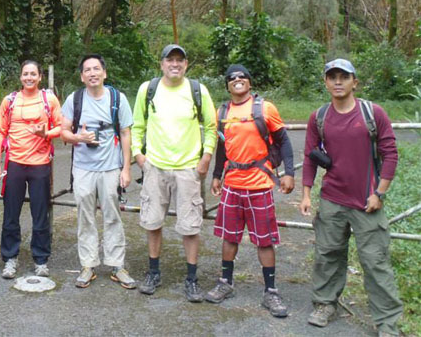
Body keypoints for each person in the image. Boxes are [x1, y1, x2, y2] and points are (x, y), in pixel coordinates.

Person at [299, 59, 402, 336]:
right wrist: (307, 193)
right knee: (327, 255)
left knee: (375, 262)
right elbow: (310, 157)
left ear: (355, 82)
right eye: (332, 77)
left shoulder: (372, 113)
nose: (338, 81)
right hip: (332, 200)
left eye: (344, 76)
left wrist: (380, 192)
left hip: (367, 201)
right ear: (325, 82)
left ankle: (388, 323)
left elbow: (390, 153)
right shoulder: (318, 117)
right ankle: (324, 304)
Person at [206, 64, 295, 317]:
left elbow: (284, 141)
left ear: (250, 82)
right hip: (232, 183)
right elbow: (222, 147)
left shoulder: (265, 108)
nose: (237, 80)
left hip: (260, 184)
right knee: (229, 236)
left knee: (264, 239)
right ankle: (225, 283)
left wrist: (289, 173)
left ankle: (271, 292)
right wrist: (216, 176)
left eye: (242, 76)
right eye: (231, 78)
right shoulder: (221, 111)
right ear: (227, 85)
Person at [131, 44, 217, 301]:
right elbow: (137, 126)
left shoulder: (197, 91)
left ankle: (191, 278)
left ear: (186, 65)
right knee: (152, 222)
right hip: (155, 168)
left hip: (188, 169)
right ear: (162, 64)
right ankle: (153, 272)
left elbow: (212, 127)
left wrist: (206, 158)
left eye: (180, 60)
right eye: (170, 60)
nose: (175, 64)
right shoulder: (148, 89)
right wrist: (139, 155)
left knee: (190, 226)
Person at [60, 54, 136, 289]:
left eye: (96, 69)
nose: (92, 73)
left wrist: (126, 168)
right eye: (87, 70)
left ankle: (117, 265)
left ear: (105, 73)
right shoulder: (75, 99)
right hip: (83, 168)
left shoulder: (117, 98)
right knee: (85, 216)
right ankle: (88, 265)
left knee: (113, 215)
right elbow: (63, 132)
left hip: (110, 167)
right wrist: (78, 137)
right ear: (82, 76)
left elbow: (125, 133)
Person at [0, 60, 62, 279]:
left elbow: (60, 127)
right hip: (15, 163)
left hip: (40, 164)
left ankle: (41, 259)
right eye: (25, 74)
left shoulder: (48, 99)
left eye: (33, 74)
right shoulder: (10, 100)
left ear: (40, 77)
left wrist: (46, 135)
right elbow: (0, 131)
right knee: (11, 213)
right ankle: (10, 258)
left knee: (40, 214)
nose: (29, 77)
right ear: (20, 77)